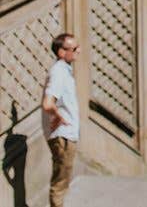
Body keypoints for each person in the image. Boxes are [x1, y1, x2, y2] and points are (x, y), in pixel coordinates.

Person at [41, 33, 80, 207]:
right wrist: (59, 118)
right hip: (62, 135)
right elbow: (48, 104)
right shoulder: (59, 72)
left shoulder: (64, 72)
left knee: (63, 181)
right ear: (61, 52)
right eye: (74, 48)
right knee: (60, 184)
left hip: (66, 134)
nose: (78, 51)